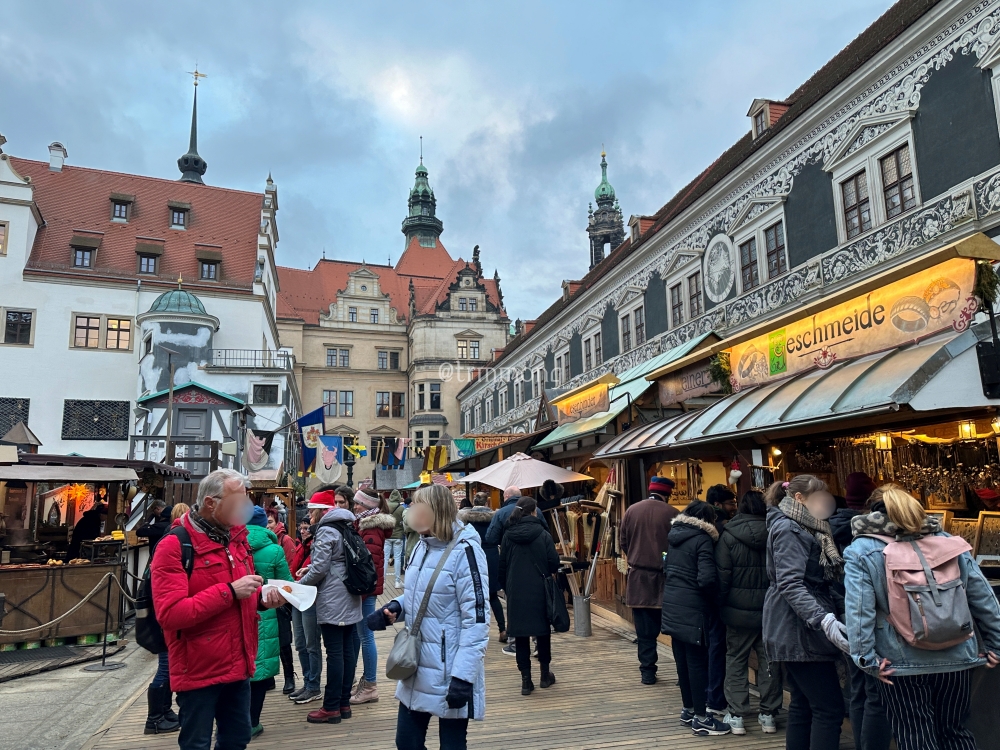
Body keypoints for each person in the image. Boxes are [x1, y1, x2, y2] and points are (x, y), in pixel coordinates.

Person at [845, 486, 1000, 750]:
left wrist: (866, 659)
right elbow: (983, 597)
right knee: (955, 731)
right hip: (957, 655)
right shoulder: (950, 543)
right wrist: (996, 643)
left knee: (915, 734)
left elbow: (859, 610)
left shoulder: (862, 550)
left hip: (899, 662)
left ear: (871, 512)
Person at [151, 469, 285, 750]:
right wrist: (230, 591)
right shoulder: (174, 545)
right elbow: (171, 614)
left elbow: (243, 593)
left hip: (239, 664)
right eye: (238, 501)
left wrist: (262, 599)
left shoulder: (237, 538)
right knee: (196, 743)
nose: (245, 508)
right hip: (198, 669)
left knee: (237, 739)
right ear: (211, 503)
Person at [366, 483, 490, 750]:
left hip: (450, 668)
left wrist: (463, 677)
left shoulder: (466, 551)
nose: (410, 512)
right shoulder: (421, 546)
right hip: (417, 662)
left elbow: (477, 619)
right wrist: (395, 608)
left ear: (435, 511)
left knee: (452, 745)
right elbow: (419, 594)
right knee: (406, 742)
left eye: (416, 507)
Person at [763, 475, 848, 750]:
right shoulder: (790, 528)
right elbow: (790, 582)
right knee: (829, 708)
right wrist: (823, 619)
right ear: (799, 499)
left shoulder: (808, 527)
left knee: (803, 704)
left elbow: (819, 582)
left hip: (797, 625)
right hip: (799, 628)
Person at [660, 500, 731, 737]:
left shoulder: (675, 537)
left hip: (673, 604)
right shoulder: (702, 539)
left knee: (682, 661)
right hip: (693, 608)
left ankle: (688, 710)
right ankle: (701, 718)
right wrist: (717, 599)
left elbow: (666, 568)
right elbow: (707, 578)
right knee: (697, 663)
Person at [715, 490, 781, 735]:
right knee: (769, 661)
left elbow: (722, 577)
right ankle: (769, 714)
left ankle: (737, 714)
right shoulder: (776, 532)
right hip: (770, 610)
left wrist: (721, 605)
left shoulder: (728, 535)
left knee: (736, 660)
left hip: (737, 611)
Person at [297, 490, 363, 725]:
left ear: (321, 511)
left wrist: (298, 586)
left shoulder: (326, 530)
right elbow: (336, 561)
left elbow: (320, 569)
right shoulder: (346, 525)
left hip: (334, 598)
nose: (309, 515)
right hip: (349, 594)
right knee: (346, 651)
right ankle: (343, 703)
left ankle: (331, 707)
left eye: (312, 510)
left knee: (335, 653)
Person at [619, 475, 678, 685]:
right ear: (668, 493)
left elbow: (623, 542)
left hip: (639, 579)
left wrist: (636, 555)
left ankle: (648, 672)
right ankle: (683, 675)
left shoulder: (631, 510)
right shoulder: (673, 513)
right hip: (666, 579)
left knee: (644, 633)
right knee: (676, 631)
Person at [499, 496, 560, 695]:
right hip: (539, 589)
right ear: (534, 512)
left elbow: (502, 566)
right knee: (542, 633)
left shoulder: (508, 535)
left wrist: (508, 588)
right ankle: (544, 675)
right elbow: (554, 563)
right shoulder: (543, 534)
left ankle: (526, 681)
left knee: (520, 635)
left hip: (516, 590)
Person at [246, 505, 293, 740]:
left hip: (238, 613)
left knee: (239, 667)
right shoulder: (274, 550)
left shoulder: (231, 545)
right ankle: (252, 722)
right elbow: (287, 585)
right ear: (265, 524)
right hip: (265, 613)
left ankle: (233, 720)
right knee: (261, 668)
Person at [350, 488, 396, 706]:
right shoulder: (364, 525)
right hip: (366, 589)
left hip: (366, 590)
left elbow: (367, 564)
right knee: (363, 635)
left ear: (368, 506)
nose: (354, 506)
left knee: (366, 636)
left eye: (358, 503)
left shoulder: (371, 528)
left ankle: (370, 686)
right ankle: (366, 682)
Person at [140, 499, 180, 736]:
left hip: (161, 614)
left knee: (169, 665)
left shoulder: (165, 540)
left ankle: (164, 710)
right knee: (165, 666)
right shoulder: (169, 544)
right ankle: (154, 718)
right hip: (162, 616)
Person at [288, 494, 323, 706]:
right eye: (301, 528)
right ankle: (308, 681)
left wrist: (300, 579)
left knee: (311, 643)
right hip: (296, 595)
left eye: (306, 527)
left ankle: (314, 685)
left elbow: (318, 570)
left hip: (310, 597)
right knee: (300, 643)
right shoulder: (301, 545)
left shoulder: (316, 544)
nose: (303, 530)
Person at [459, 492, 506, 641]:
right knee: (493, 595)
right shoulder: (495, 517)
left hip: (472, 555)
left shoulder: (466, 518)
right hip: (492, 556)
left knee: (472, 595)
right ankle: (502, 629)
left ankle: (473, 632)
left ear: (474, 502)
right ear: (487, 503)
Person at [485, 486, 525, 656]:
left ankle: (515, 641)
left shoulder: (501, 513)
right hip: (534, 563)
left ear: (506, 496)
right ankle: (538, 643)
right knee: (536, 601)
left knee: (513, 601)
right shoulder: (535, 511)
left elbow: (490, 538)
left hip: (511, 561)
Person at [265, 509, 298, 695]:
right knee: (266, 639)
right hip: (263, 597)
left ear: (277, 522)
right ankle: (268, 677)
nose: (267, 525)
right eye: (265, 522)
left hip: (281, 597)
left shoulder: (285, 541)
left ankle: (289, 676)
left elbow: (290, 568)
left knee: (284, 639)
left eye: (270, 521)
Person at [386, 489, 406, 588]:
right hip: (398, 536)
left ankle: (383, 582)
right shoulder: (401, 508)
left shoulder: (386, 507)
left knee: (385, 558)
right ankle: (397, 581)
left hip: (387, 535)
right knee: (397, 558)